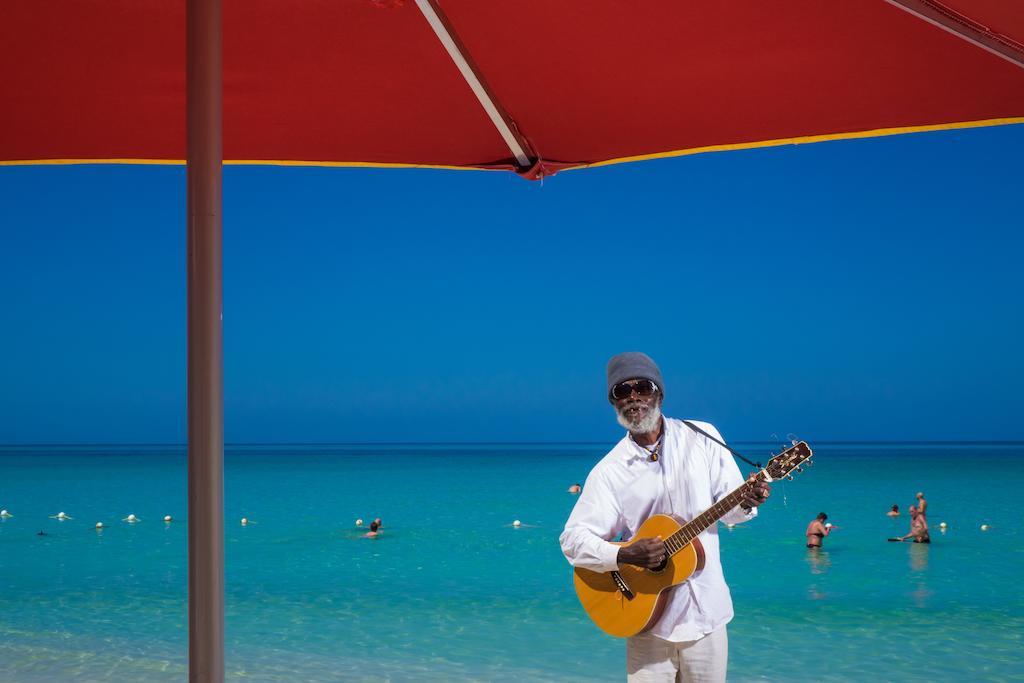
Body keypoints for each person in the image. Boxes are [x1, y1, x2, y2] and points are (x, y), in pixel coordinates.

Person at [560, 352, 770, 683]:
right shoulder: (609, 471)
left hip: (707, 617)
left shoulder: (703, 438)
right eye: (621, 391)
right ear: (613, 402)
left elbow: (732, 513)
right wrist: (625, 554)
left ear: (659, 392)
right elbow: (573, 541)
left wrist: (747, 502)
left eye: (641, 387)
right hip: (645, 620)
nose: (633, 397)